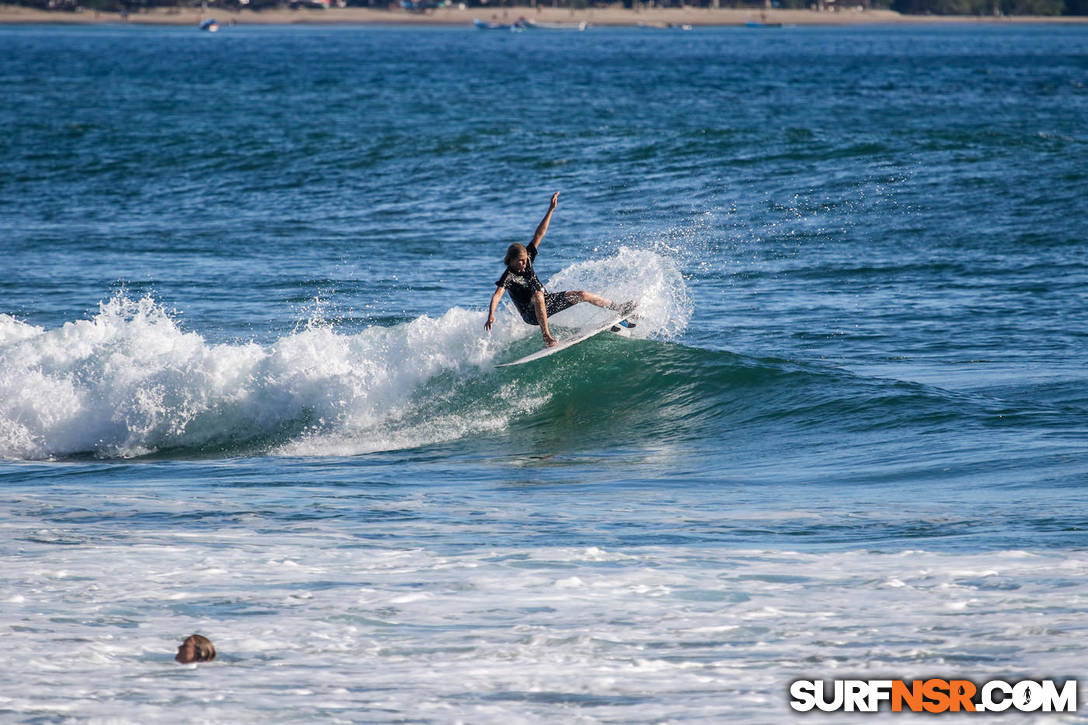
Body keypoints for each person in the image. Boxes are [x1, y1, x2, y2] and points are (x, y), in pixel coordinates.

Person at [485, 192, 633, 347]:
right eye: (520, 261)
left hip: (546, 302)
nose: (524, 263)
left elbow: (539, 234)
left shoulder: (528, 258)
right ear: (511, 259)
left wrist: (551, 210)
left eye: (524, 260)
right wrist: (491, 315)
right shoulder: (508, 276)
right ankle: (547, 337)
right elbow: (497, 295)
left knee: (582, 294)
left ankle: (619, 307)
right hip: (530, 314)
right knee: (538, 295)